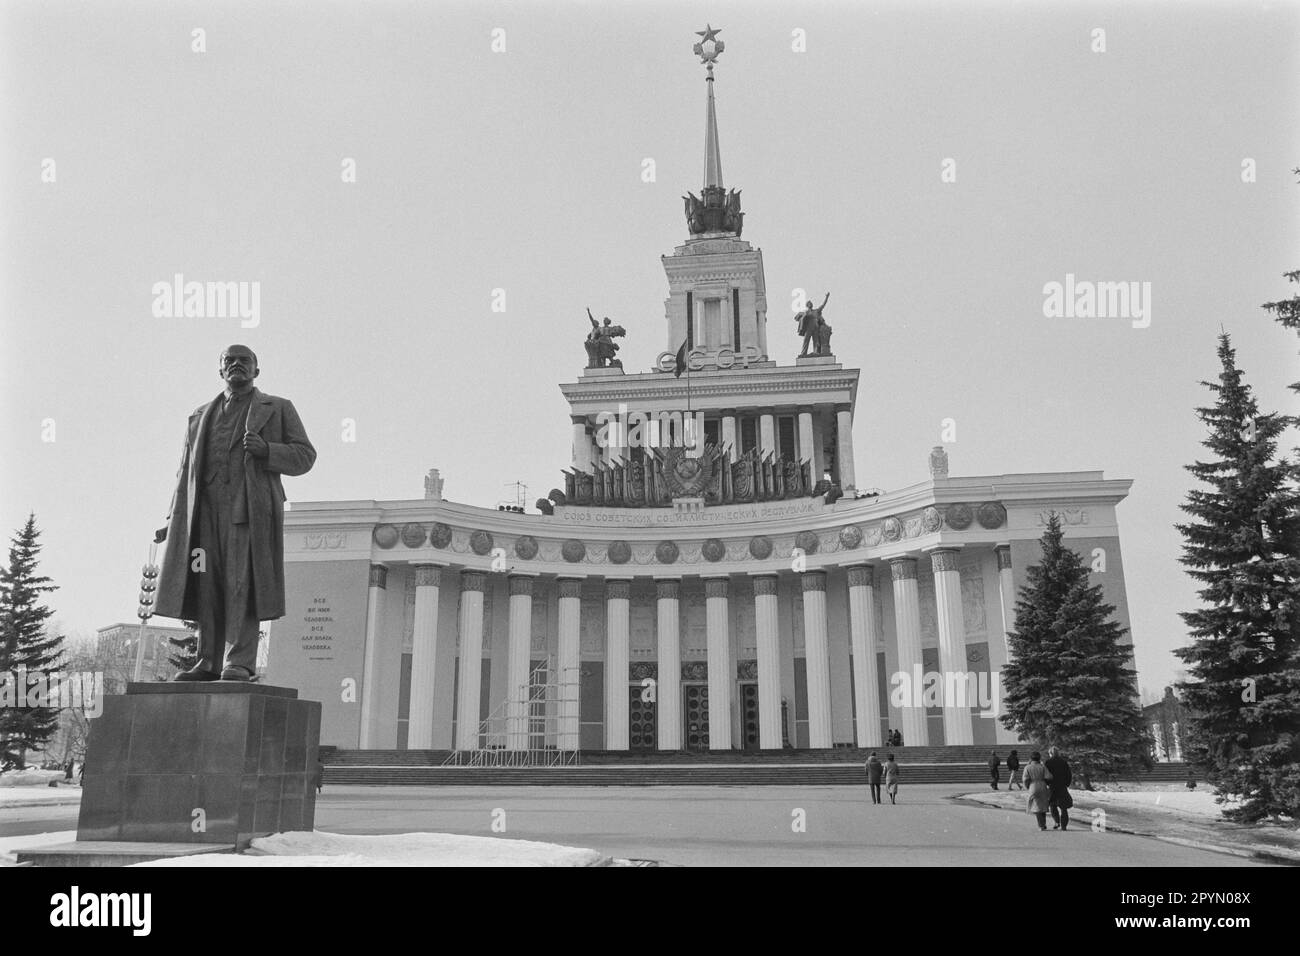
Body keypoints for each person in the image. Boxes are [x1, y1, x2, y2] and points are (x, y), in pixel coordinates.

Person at [155, 345, 316, 681]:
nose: (237, 365)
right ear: (220, 371)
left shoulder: (278, 408)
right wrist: (173, 519)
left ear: (257, 370)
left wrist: (267, 450)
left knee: (241, 583)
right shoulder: (199, 416)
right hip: (203, 514)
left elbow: (305, 456)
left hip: (248, 513)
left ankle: (239, 661)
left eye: (245, 361)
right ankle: (208, 661)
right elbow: (184, 472)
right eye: (229, 361)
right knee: (205, 583)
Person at [1044, 745, 1073, 830]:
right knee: (1064, 808)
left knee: (1053, 805)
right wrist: (1067, 784)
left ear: (1051, 753)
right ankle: (1064, 826)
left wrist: (1047, 783)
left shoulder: (1048, 762)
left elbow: (1046, 775)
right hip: (1062, 786)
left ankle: (1057, 822)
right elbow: (1069, 774)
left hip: (1052, 786)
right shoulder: (1063, 762)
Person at [1023, 751, 1050, 830]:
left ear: (1031, 758)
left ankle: (1040, 825)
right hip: (1042, 785)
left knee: (1036, 806)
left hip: (1033, 785)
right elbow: (1049, 776)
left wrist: (1027, 786)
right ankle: (1043, 823)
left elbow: (1025, 779)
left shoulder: (1027, 767)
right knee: (1043, 805)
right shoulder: (1042, 766)